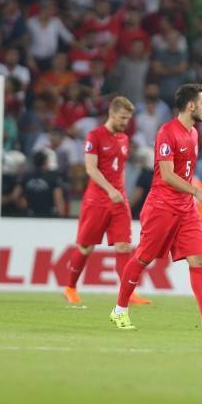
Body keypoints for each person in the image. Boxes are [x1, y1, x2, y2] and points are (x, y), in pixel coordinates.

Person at [109, 83, 202, 331]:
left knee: (198, 259)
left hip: (185, 208)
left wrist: (192, 195)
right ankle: (119, 310)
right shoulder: (167, 132)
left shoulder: (194, 133)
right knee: (143, 258)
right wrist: (198, 192)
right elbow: (167, 175)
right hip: (162, 205)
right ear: (190, 106)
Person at [64, 97, 151, 305]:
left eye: (128, 118)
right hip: (97, 200)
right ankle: (70, 287)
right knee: (86, 247)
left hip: (118, 201)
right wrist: (110, 190)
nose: (125, 122)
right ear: (111, 114)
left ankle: (128, 294)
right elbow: (90, 169)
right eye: (122, 118)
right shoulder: (94, 136)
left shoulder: (124, 139)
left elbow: (119, 169)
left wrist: (120, 192)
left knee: (123, 246)